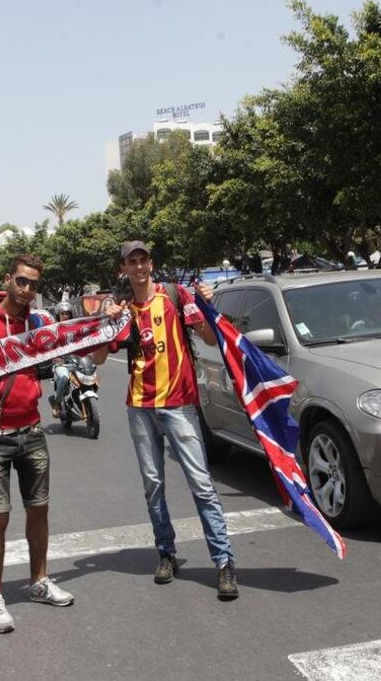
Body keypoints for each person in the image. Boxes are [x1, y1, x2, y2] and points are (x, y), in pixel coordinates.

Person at [94, 241, 239, 600]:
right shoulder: (124, 311)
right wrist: (104, 321)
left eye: (144, 260)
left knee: (202, 485)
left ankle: (223, 564)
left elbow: (208, 336)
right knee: (153, 485)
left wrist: (208, 303)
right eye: (132, 262)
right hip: (140, 407)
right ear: (123, 269)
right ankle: (166, 554)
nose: (139, 267)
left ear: (151, 264)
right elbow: (98, 358)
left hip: (178, 405)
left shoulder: (175, 296)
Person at [0, 254, 74, 634]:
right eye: (21, 282)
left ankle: (39, 581)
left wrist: (105, 321)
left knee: (39, 510)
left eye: (34, 285)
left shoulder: (38, 323)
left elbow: (74, 343)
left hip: (33, 431)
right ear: (7, 280)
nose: (27, 290)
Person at [48, 301, 76, 418]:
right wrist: (54, 357)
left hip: (75, 362)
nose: (65, 316)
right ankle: (57, 403)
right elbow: (48, 347)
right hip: (60, 364)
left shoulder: (75, 327)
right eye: (63, 313)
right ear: (58, 315)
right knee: (64, 378)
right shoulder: (53, 330)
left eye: (67, 313)